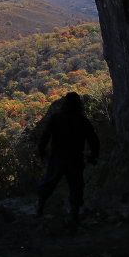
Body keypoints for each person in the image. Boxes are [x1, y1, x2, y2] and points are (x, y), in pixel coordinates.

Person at [35, 92, 100, 229]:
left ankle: (40, 208)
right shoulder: (82, 120)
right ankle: (74, 215)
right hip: (75, 158)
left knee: (50, 182)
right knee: (76, 186)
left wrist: (42, 151)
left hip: (58, 157)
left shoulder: (56, 118)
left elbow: (45, 136)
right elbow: (93, 139)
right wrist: (93, 155)